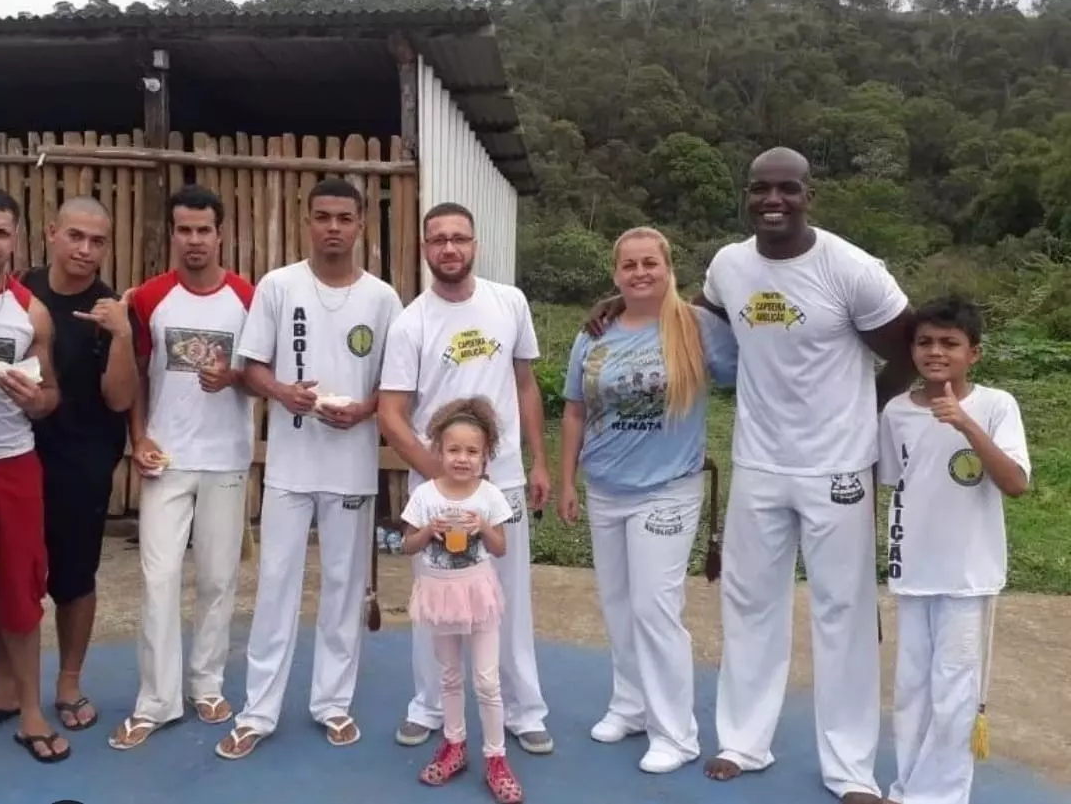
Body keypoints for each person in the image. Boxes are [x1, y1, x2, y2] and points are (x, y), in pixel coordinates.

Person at [586, 147, 916, 803]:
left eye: (787, 188)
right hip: (760, 461)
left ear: (807, 194)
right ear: (747, 195)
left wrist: (863, 416)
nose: (773, 199)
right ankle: (743, 739)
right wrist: (620, 300)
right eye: (761, 188)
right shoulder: (731, 265)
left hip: (838, 468)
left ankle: (850, 768)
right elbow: (694, 315)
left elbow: (908, 349)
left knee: (842, 613)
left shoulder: (851, 269)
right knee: (749, 603)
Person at [215, 177, 403, 760]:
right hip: (290, 466)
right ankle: (258, 712)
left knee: (345, 588)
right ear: (307, 221)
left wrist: (366, 410)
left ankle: (333, 704)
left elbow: (395, 387)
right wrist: (283, 394)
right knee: (276, 586)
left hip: (350, 463)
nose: (333, 228)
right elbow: (251, 366)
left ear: (360, 224)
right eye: (322, 217)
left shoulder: (383, 299)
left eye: (344, 218)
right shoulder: (279, 286)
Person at [558, 227, 738, 774]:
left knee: (655, 609)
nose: (640, 273)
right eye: (629, 265)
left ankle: (675, 733)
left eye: (650, 264)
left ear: (667, 267)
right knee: (617, 602)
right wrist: (567, 480)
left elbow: (755, 367)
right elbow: (573, 410)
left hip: (668, 487)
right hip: (605, 487)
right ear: (615, 274)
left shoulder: (697, 327)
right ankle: (630, 706)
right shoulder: (596, 331)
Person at [379, 201, 554, 755]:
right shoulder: (412, 321)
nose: (449, 248)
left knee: (510, 596)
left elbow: (525, 384)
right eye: (438, 240)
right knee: (437, 596)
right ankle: (429, 706)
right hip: (435, 489)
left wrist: (539, 461)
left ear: (475, 244)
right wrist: (442, 482)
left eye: (459, 238)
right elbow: (391, 413)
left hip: (500, 485)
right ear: (426, 248)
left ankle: (525, 710)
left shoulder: (510, 302)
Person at [109, 184, 255, 750]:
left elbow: (261, 370)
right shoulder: (147, 298)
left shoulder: (247, 296)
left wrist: (236, 377)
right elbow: (139, 373)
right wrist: (139, 436)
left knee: (218, 579)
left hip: (226, 457)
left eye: (204, 230)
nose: (194, 240)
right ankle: (156, 700)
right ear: (172, 234)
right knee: (158, 577)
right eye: (184, 230)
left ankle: (206, 683)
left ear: (221, 234)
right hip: (165, 458)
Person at [879, 296, 1030, 804]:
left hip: (968, 575)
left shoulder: (995, 405)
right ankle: (906, 787)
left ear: (974, 354)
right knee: (912, 691)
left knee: (955, 691)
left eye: (950, 343)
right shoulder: (897, 411)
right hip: (913, 569)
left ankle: (939, 796)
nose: (936, 352)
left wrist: (965, 423)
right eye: (925, 342)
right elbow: (894, 484)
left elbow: (1015, 483)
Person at [18, 197, 138, 733]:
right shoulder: (18, 293)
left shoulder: (110, 308)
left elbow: (120, 400)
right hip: (14, 451)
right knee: (10, 575)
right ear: (51, 234)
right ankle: (8, 683)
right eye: (76, 236)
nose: (86, 250)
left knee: (75, 575)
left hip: (82, 458)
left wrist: (121, 336)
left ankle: (68, 681)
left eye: (98, 241)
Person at [401, 397, 524, 803]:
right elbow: (408, 545)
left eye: (472, 451)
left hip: (479, 594)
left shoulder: (488, 495)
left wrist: (483, 525)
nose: (462, 458)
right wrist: (428, 530)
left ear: (486, 456)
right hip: (439, 596)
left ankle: (496, 757)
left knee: (487, 680)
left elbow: (501, 548)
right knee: (449, 676)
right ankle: (454, 746)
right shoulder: (424, 496)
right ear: (438, 450)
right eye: (454, 449)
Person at [0, 186, 66, 761]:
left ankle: (32, 711)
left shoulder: (30, 312)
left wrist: (34, 399)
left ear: (15, 238)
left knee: (19, 588)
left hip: (12, 463)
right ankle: (5, 691)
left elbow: (50, 396)